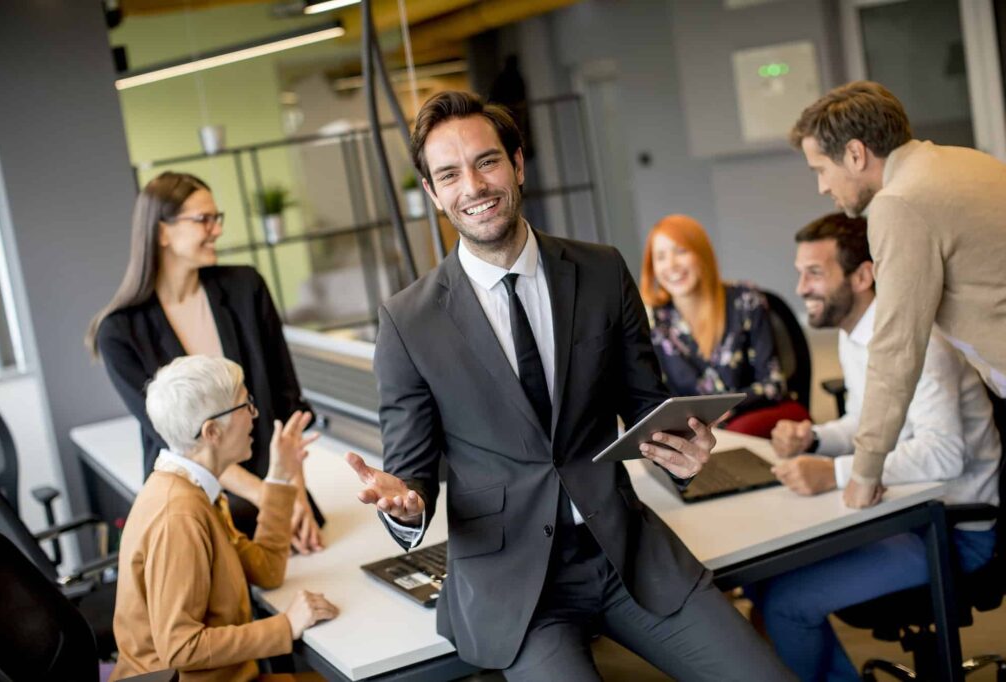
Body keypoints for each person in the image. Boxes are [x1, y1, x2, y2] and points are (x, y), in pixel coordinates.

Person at [343, 91, 792, 681]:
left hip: (626, 555)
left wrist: (684, 453)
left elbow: (646, 408)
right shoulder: (409, 320)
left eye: (487, 161)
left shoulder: (601, 270)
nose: (473, 186)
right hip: (517, 588)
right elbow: (410, 472)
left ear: (517, 164)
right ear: (432, 193)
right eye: (449, 174)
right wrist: (402, 503)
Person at [753, 214, 1000, 680]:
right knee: (766, 584)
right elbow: (870, 425)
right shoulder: (858, 334)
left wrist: (837, 473)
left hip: (950, 534)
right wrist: (816, 438)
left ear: (862, 275)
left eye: (815, 272)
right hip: (902, 517)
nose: (801, 287)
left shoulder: (916, 341)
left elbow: (944, 454)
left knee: (786, 604)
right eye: (800, 272)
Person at [790, 80, 1006, 508]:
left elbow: (898, 346)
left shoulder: (900, 202)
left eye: (820, 170)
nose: (822, 187)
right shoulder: (965, 161)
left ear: (855, 154)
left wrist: (864, 471)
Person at [87, 171, 323, 551]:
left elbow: (286, 402)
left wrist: (290, 491)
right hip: (194, 504)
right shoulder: (119, 333)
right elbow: (175, 438)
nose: (216, 230)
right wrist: (269, 498)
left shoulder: (246, 288)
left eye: (217, 218)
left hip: (273, 483)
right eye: (203, 220)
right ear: (162, 232)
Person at [110, 356, 338, 682]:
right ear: (212, 431)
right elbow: (180, 646)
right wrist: (286, 625)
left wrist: (278, 477)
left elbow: (268, 570)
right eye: (246, 405)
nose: (254, 416)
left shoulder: (195, 490)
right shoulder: (178, 516)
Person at [639, 213, 799, 434]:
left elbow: (773, 383)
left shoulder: (745, 299)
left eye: (681, 251)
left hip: (749, 418)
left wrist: (726, 410)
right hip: (695, 432)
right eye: (661, 257)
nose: (671, 265)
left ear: (701, 254)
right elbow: (654, 397)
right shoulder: (652, 319)